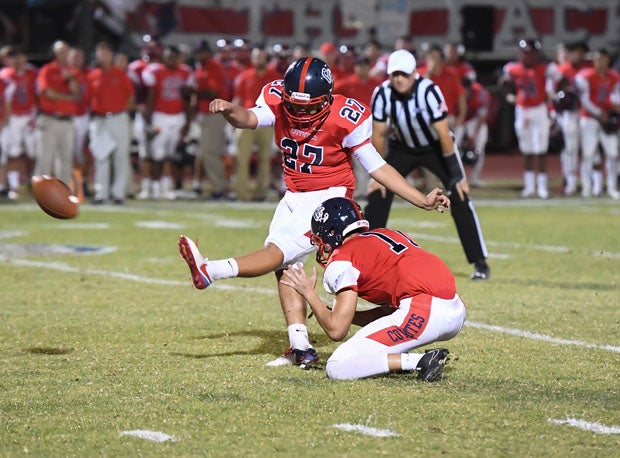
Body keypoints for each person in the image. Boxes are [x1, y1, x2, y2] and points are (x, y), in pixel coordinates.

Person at [178, 57, 450, 368]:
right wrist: (230, 111)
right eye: (297, 105)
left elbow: (377, 167)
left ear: (328, 98)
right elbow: (248, 119)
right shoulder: (277, 98)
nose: (303, 113)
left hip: (328, 200)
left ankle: (210, 271)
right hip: (293, 194)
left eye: (311, 107)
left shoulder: (346, 116)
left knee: (277, 252)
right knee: (288, 267)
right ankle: (301, 347)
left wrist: (420, 200)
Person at [280, 197, 465, 380]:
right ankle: (401, 360)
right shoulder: (388, 234)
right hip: (454, 308)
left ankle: (420, 361)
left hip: (425, 311)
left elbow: (337, 330)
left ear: (331, 232)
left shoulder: (343, 257)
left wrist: (309, 293)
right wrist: (331, 312)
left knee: (337, 366)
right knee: (377, 338)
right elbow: (388, 313)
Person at [364, 49, 490, 281]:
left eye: (404, 74)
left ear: (414, 73)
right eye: (395, 75)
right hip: (401, 147)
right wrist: (377, 173)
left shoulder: (428, 90)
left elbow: (444, 134)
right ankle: (366, 258)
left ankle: (480, 261)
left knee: (460, 195)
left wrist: (456, 174)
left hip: (434, 147)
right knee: (378, 193)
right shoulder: (382, 93)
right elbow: (379, 135)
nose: (399, 79)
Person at [501, 38, 561, 199]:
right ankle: (529, 186)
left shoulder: (545, 68)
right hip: (522, 110)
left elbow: (561, 80)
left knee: (540, 150)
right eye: (525, 53)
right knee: (526, 150)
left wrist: (552, 94)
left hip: (539, 109)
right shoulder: (513, 68)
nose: (528, 57)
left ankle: (542, 187)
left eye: (531, 53)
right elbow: (504, 82)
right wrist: (509, 96)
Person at [86, 41, 135, 204]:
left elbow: (130, 96)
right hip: (99, 120)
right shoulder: (92, 75)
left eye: (106, 52)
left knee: (121, 156)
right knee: (101, 156)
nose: (103, 56)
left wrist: (123, 112)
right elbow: (87, 99)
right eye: (100, 53)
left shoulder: (120, 74)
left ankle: (119, 193)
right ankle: (102, 193)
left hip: (118, 118)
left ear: (112, 55)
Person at [231, 45, 280, 201]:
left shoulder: (275, 76)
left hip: (267, 121)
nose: (259, 59)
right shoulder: (244, 76)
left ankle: (261, 192)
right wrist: (232, 120)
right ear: (252, 59)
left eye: (261, 56)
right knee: (242, 158)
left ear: (267, 58)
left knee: (265, 159)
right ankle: (241, 193)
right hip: (246, 119)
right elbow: (237, 99)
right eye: (256, 56)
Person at [575, 48, 620, 199]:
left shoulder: (614, 76)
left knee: (612, 153)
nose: (601, 63)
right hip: (589, 118)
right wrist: (600, 114)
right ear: (593, 61)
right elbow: (585, 100)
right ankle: (588, 188)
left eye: (603, 60)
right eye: (598, 60)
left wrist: (614, 107)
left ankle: (612, 187)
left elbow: (616, 96)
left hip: (608, 118)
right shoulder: (585, 76)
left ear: (608, 61)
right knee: (588, 154)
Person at [34, 40, 79, 186]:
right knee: (44, 159)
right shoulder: (47, 70)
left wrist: (70, 79)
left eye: (66, 52)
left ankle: (62, 193)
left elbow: (76, 93)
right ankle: (40, 193)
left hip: (67, 120)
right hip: (49, 119)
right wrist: (68, 97)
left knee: (66, 160)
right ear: (54, 53)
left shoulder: (72, 72)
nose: (63, 55)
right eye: (60, 52)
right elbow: (47, 93)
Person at [554, 41, 591, 196]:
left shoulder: (590, 68)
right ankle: (570, 182)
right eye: (576, 52)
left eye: (581, 52)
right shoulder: (563, 69)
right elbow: (553, 91)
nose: (578, 55)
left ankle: (589, 183)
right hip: (568, 113)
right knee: (570, 149)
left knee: (588, 150)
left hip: (587, 114)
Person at [456, 77, 490, 188]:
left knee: (480, 143)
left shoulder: (481, 93)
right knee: (452, 146)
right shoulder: (453, 91)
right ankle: (455, 178)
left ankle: (475, 178)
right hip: (457, 119)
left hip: (474, 120)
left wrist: (473, 135)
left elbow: (482, 116)